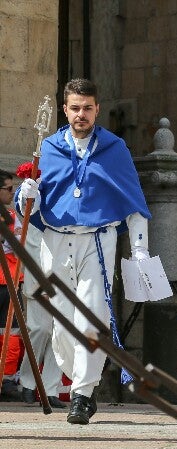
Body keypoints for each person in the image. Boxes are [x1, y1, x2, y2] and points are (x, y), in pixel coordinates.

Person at [16, 78, 151, 425]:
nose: (81, 114)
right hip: (56, 242)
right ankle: (77, 379)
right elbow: (29, 205)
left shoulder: (114, 147)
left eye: (87, 108)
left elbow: (135, 203)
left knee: (92, 315)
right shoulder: (47, 148)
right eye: (75, 108)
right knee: (61, 324)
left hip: (97, 240)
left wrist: (139, 252)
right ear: (65, 109)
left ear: (97, 110)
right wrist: (25, 193)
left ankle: (82, 394)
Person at [17, 164, 65, 408]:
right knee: (40, 331)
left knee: (60, 334)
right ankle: (27, 382)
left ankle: (50, 387)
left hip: (65, 277)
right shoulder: (30, 200)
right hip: (38, 276)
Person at [0, 171, 24, 392]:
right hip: (7, 280)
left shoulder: (13, 217)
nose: (12, 192)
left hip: (9, 281)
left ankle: (6, 378)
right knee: (11, 331)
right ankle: (5, 379)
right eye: (8, 189)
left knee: (12, 332)